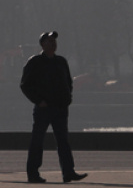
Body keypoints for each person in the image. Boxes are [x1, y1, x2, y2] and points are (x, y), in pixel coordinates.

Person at [21, 31, 88, 184]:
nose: (53, 44)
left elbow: (68, 82)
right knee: (37, 141)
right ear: (42, 44)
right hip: (43, 108)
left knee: (63, 141)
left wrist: (67, 98)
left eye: (54, 41)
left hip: (60, 107)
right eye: (50, 41)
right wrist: (38, 101)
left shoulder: (61, 61)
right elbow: (25, 85)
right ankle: (33, 174)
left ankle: (68, 172)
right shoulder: (35, 61)